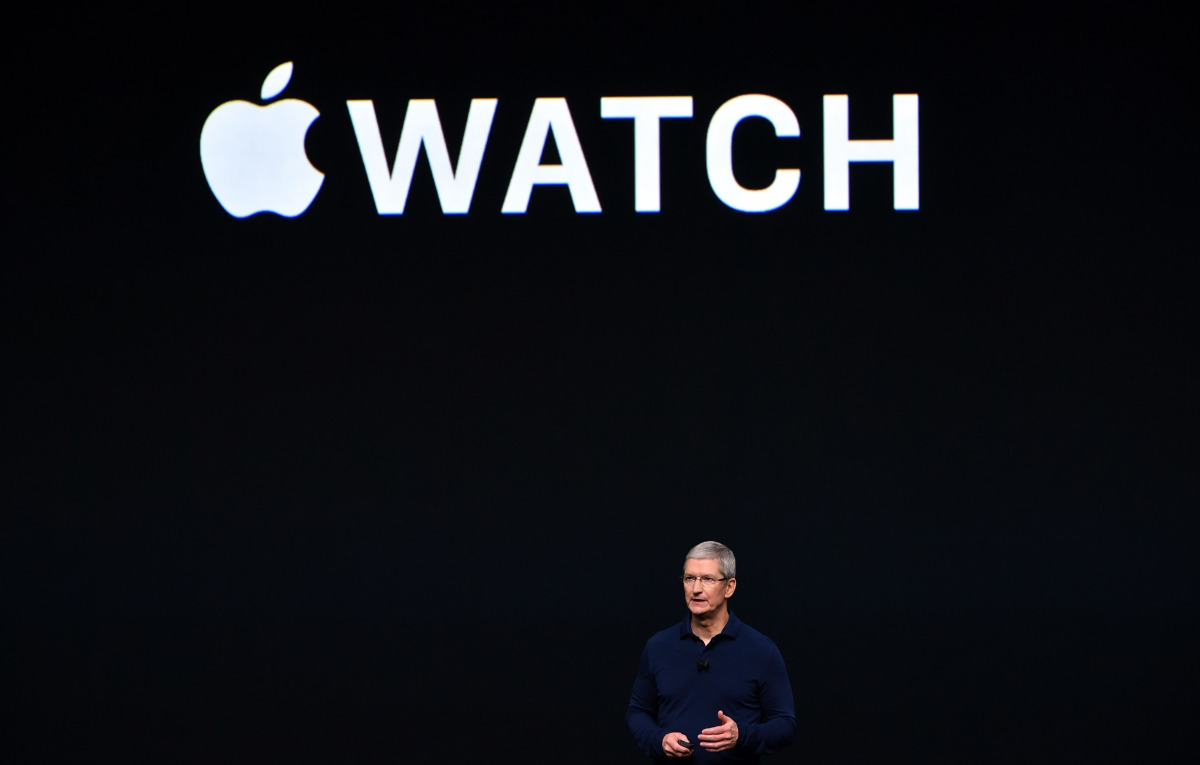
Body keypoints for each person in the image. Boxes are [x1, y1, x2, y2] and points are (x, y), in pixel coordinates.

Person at [627, 541, 796, 763]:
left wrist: (741, 735)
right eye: (689, 578)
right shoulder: (659, 646)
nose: (696, 588)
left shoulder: (761, 650)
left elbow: (784, 724)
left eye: (707, 579)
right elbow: (637, 712)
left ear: (729, 587)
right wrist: (660, 739)